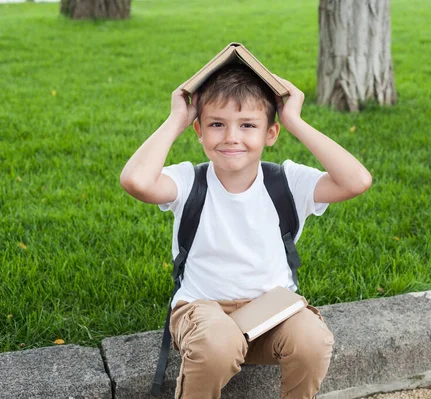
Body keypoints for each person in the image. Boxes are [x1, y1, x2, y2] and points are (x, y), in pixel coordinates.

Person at [119, 63, 372, 399]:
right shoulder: (188, 181)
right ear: (199, 130)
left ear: (271, 133)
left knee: (313, 339)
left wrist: (295, 121)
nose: (231, 137)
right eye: (216, 124)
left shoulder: (287, 182)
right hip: (202, 311)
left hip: (272, 313)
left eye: (248, 125)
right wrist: (175, 119)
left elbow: (357, 181)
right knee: (217, 344)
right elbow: (135, 181)